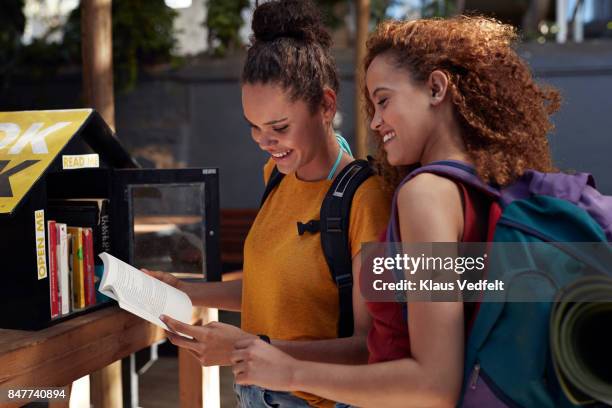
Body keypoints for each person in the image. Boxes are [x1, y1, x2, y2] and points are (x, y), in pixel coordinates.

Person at [229, 16, 561, 407]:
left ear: (436, 88)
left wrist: (287, 370)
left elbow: (433, 385)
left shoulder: (426, 196)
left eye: (383, 100)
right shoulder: (488, 187)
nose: (375, 121)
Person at [145, 0, 391, 406]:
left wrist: (246, 347)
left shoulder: (366, 200)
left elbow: (366, 349)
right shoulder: (276, 176)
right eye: (254, 128)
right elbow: (273, 290)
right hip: (251, 395)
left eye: (279, 127)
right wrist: (185, 292)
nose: (264, 141)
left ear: (326, 106)